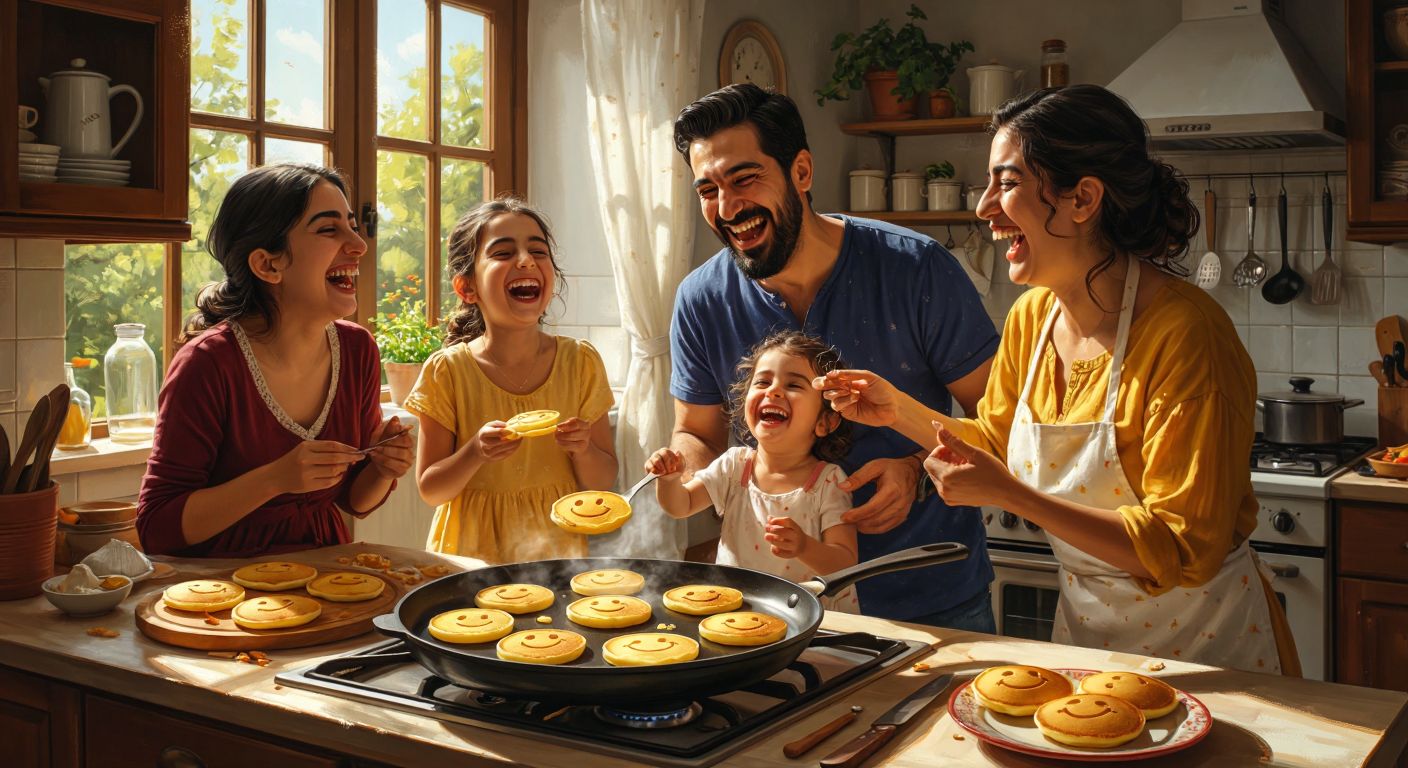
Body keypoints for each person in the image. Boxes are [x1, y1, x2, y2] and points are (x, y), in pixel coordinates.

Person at [817, 84, 1299, 675]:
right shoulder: (1033, 317)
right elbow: (992, 441)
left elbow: (1181, 550)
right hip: (1087, 640)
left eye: (1008, 182)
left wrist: (1014, 496)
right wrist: (897, 410)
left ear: (1082, 198)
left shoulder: (1186, 335)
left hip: (1209, 649)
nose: (984, 206)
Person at [668, 84, 999, 630]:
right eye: (708, 189)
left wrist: (917, 468)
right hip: (768, 614)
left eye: (745, 179)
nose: (727, 209)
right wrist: (676, 467)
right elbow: (699, 435)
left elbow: (999, 421)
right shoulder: (700, 299)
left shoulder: (915, 269)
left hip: (932, 597)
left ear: (801, 171)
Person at [138, 163, 414, 557]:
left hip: (329, 578)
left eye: (353, 225)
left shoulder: (357, 349)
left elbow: (355, 500)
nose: (359, 244)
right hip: (218, 598)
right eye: (328, 229)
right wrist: (275, 479)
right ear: (268, 264)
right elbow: (157, 528)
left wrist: (383, 467)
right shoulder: (207, 364)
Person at [404, 197, 617, 564]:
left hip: (556, 554)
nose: (525, 260)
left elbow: (602, 483)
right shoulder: (447, 371)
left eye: (538, 250)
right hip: (468, 559)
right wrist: (474, 453)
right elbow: (431, 490)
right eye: (503, 252)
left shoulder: (580, 362)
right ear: (467, 288)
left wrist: (582, 449)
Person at [648, 331, 860, 611]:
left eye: (794, 385)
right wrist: (669, 479)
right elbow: (680, 505)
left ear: (826, 421)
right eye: (762, 381)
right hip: (739, 613)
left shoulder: (828, 482)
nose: (773, 391)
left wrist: (804, 547)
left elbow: (845, 562)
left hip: (812, 624)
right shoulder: (734, 466)